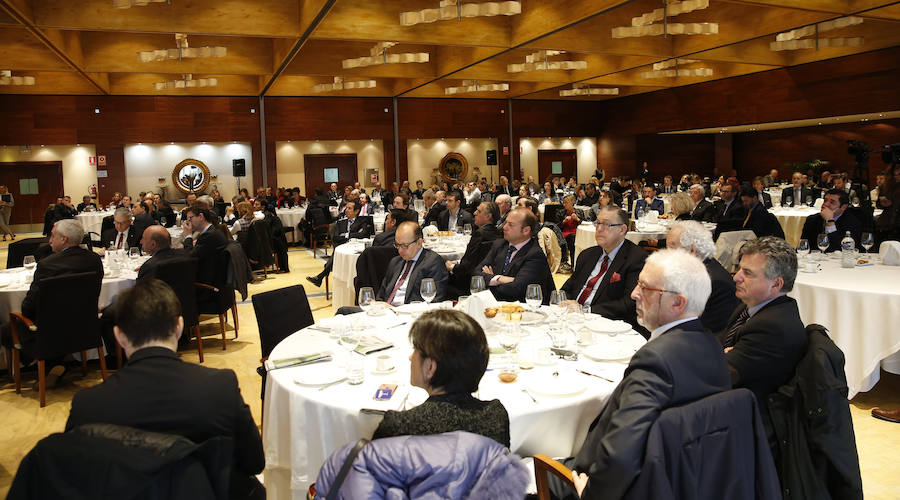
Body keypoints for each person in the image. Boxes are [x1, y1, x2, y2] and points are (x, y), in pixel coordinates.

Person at [547, 249, 730, 500]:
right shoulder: (712, 347)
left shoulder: (656, 360)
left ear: (678, 303)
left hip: (620, 484)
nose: (634, 294)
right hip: (682, 477)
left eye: (645, 288)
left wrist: (591, 494)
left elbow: (620, 457)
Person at [66, 279, 265, 499]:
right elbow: (254, 462)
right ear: (179, 327)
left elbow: (75, 481)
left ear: (119, 336)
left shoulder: (87, 405)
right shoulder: (219, 386)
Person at [372, 309, 510, 447]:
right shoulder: (494, 416)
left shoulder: (397, 427)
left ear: (430, 367)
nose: (410, 357)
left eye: (415, 350)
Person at [717, 236, 806, 439]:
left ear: (776, 283)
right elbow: (721, 344)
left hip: (747, 423)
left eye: (747, 273)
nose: (736, 277)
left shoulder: (773, 326)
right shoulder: (751, 305)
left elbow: (721, 375)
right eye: (739, 269)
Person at [5, 219, 103, 386]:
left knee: (7, 330)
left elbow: (28, 307)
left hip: (50, 334)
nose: (49, 240)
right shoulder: (94, 259)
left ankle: (46, 365)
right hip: (86, 327)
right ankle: (55, 364)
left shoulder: (47, 265)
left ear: (64, 239)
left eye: (52, 236)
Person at [560, 206, 648, 335]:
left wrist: (585, 310)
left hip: (607, 328)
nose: (599, 229)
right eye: (598, 223)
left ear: (622, 229)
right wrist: (565, 302)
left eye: (606, 225)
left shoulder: (636, 259)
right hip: (572, 321)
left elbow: (628, 304)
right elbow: (568, 288)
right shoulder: (587, 255)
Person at [666, 221, 740, 333]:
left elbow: (707, 332)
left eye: (671, 248)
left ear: (692, 250)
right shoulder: (692, 270)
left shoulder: (716, 283)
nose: (666, 254)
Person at [476, 208, 554, 303]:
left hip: (524, 310)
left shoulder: (535, 255)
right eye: (506, 223)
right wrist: (499, 279)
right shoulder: (499, 245)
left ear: (526, 230)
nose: (504, 227)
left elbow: (517, 289)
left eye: (511, 225)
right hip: (495, 304)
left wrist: (491, 279)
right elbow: (476, 274)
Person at [376, 222, 449, 305]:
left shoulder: (433, 262)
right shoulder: (395, 262)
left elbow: (434, 301)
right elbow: (381, 295)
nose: (400, 250)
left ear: (419, 243)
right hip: (386, 312)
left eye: (405, 246)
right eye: (397, 245)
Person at [307, 200, 374, 287]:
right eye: (346, 208)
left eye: (349, 208)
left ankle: (321, 276)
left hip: (355, 249)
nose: (346, 210)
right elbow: (335, 238)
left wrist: (346, 235)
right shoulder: (340, 223)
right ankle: (321, 277)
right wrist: (354, 235)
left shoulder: (362, 221)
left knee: (335, 255)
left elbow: (363, 235)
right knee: (336, 253)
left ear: (356, 211)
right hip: (342, 248)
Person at [446, 201, 502, 295]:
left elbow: (467, 267)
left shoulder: (480, 234)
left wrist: (451, 267)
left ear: (488, 216)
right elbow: (476, 259)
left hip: (468, 283)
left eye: (479, 211)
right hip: (484, 279)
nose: (474, 213)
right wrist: (458, 262)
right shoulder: (498, 233)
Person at [800, 188, 862, 252]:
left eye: (832, 202)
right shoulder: (812, 220)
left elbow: (844, 249)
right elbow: (803, 246)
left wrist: (830, 222)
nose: (826, 204)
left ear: (843, 207)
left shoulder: (852, 222)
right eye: (825, 200)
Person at [181, 205, 228, 289]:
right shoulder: (213, 231)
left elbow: (188, 258)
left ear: (201, 216)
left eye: (190, 218)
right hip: (216, 278)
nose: (188, 222)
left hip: (208, 285)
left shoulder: (209, 236)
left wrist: (188, 236)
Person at [560, 195, 580, 269]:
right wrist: (563, 221)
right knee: (572, 238)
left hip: (577, 232)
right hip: (565, 233)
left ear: (572, 203)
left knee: (574, 237)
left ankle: (578, 264)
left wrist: (578, 219)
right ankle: (573, 265)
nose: (564, 204)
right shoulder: (561, 212)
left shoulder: (579, 212)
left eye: (566, 202)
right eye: (563, 203)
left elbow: (584, 224)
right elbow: (556, 226)